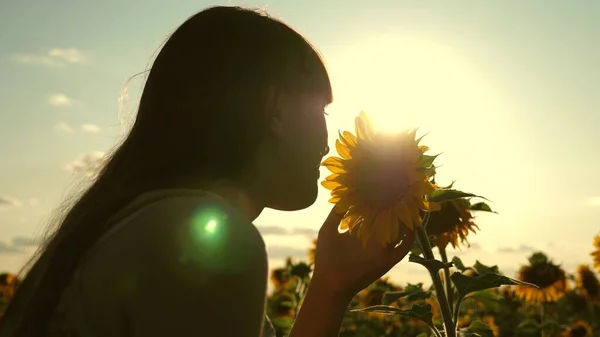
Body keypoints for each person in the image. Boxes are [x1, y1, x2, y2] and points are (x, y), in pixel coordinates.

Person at [0, 6, 415, 337]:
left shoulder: (133, 221)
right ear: (276, 107)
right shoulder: (194, 245)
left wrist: (330, 286)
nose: (328, 142)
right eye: (322, 109)